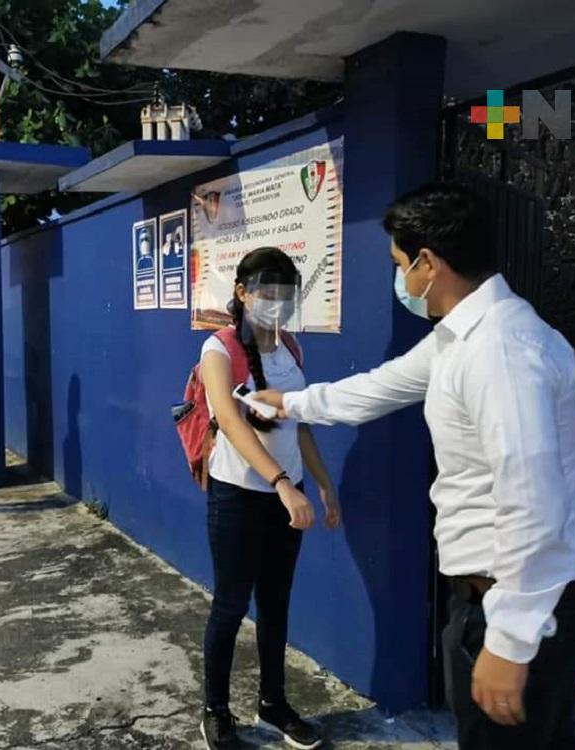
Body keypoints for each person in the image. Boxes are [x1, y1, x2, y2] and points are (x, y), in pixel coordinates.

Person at [256, 184, 575, 750]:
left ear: (428, 262)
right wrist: (291, 403)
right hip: (514, 596)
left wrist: (510, 641)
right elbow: (381, 387)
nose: (401, 280)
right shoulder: (461, 338)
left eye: (400, 264)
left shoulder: (499, 351)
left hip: (523, 604)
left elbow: (532, 498)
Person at [198, 248, 339, 750]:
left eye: (285, 295)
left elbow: (298, 424)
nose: (277, 303)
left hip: (289, 495)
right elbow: (232, 423)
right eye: (267, 293)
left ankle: (273, 703)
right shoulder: (218, 349)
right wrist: (282, 483)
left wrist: (320, 481)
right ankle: (215, 709)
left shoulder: (292, 351)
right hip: (239, 496)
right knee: (231, 605)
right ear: (242, 293)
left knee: (276, 604)